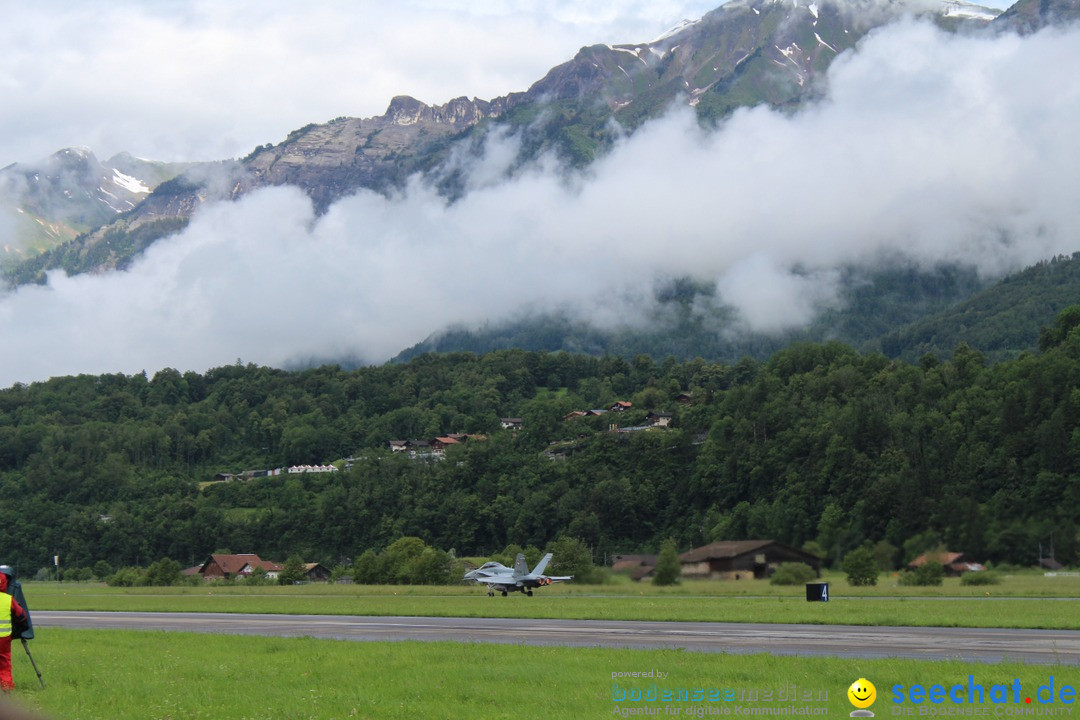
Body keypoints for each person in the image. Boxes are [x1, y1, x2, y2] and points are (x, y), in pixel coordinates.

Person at [0, 570, 27, 692]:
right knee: (5, 664)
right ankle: (6, 688)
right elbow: (22, 616)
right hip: (4, 638)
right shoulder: (8, 599)